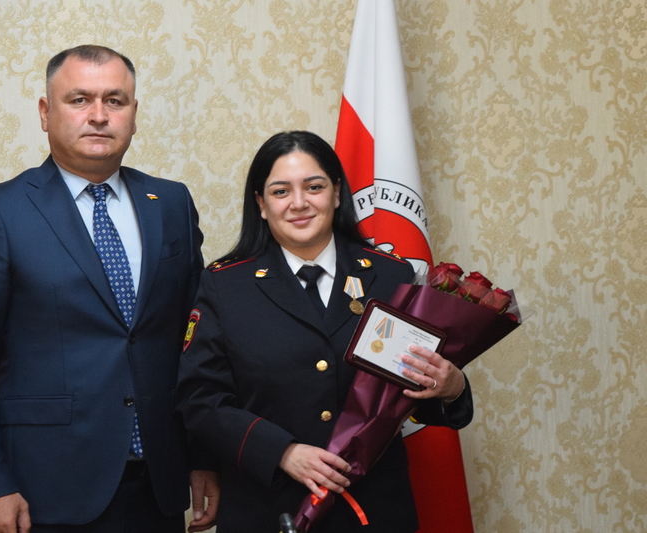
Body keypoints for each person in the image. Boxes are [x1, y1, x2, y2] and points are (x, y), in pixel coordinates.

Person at [0, 45, 218, 533]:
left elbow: (194, 344)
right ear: (46, 113)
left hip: (159, 482)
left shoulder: (170, 202)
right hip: (46, 487)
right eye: (79, 99)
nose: (99, 115)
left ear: (134, 114)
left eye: (115, 100)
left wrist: (203, 456)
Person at [175, 131, 473, 533]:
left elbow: (409, 391)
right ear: (261, 204)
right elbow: (200, 400)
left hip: (372, 510)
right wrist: (282, 452)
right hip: (269, 507)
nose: (299, 203)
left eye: (314, 187)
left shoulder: (391, 275)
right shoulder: (225, 286)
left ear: (336, 193)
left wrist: (452, 388)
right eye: (281, 191)